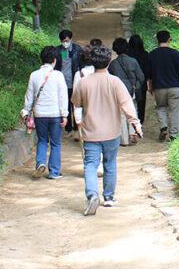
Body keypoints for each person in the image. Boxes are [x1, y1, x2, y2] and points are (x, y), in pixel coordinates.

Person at [72, 45, 143, 215]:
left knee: (90, 165)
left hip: (91, 132)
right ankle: (109, 197)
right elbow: (127, 105)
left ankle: (92, 195)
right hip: (112, 132)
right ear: (108, 61)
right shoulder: (115, 82)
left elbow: (76, 102)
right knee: (110, 164)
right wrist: (136, 124)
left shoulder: (84, 82)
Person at [21, 46, 69, 180]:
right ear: (54, 60)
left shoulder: (34, 75)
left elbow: (29, 96)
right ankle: (54, 171)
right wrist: (64, 115)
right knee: (55, 143)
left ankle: (40, 163)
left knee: (42, 140)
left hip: (39, 114)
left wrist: (26, 111)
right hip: (55, 114)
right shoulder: (58, 75)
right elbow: (63, 97)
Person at [146, 30, 179, 142]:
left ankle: (163, 127)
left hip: (159, 87)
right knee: (174, 110)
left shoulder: (152, 54)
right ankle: (173, 134)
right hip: (174, 87)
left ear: (157, 41)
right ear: (169, 40)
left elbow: (149, 73)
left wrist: (150, 86)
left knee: (160, 107)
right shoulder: (175, 53)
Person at [109, 37, 145, 145]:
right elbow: (141, 77)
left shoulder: (113, 64)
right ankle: (132, 133)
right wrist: (136, 87)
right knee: (133, 111)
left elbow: (110, 79)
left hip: (118, 92)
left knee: (122, 115)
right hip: (131, 91)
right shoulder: (133, 61)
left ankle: (124, 139)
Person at [56, 30, 81, 132]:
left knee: (75, 104)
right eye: (63, 41)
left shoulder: (77, 50)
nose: (65, 43)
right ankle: (68, 127)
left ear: (70, 39)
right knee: (65, 105)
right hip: (62, 82)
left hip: (74, 81)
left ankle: (76, 125)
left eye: (67, 40)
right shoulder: (57, 51)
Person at [126, 34, 150, 124]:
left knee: (129, 103)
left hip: (129, 82)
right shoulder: (145, 55)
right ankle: (140, 121)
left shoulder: (127, 56)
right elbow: (148, 70)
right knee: (141, 104)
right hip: (141, 83)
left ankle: (131, 122)